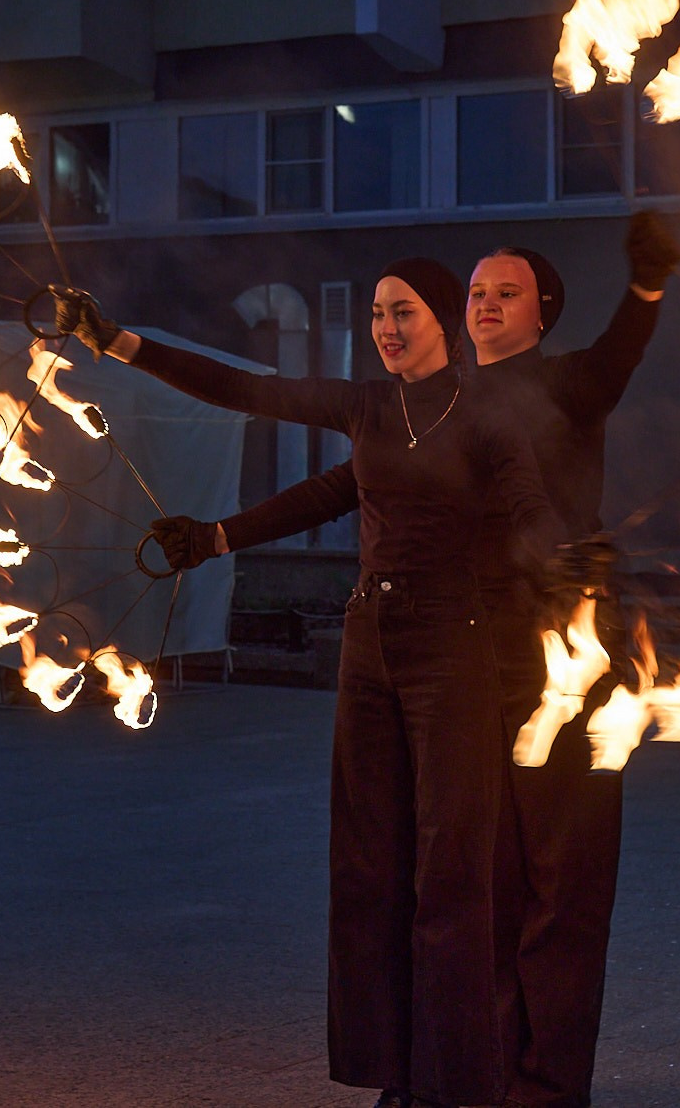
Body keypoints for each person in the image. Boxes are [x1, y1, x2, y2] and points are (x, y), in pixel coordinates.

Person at [147, 214, 680, 1108]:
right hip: (469, 652)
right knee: (469, 877)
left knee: (559, 877)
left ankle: (544, 1083)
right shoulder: (431, 398)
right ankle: (463, 1068)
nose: (482, 307)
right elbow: (347, 482)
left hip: (559, 659)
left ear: (543, 313)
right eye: (472, 294)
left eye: (504, 294)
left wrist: (647, 290)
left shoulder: (565, 383)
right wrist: (219, 535)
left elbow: (617, 358)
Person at [54, 259, 560, 1108]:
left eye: (403, 312)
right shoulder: (368, 406)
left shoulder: (487, 416)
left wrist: (566, 559)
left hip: (453, 648)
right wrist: (118, 343)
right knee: (368, 867)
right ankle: (396, 1075)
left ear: (440, 319)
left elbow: (530, 505)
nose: (386, 328)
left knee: (449, 871)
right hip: (370, 648)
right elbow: (247, 391)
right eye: (376, 314)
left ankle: (450, 1082)